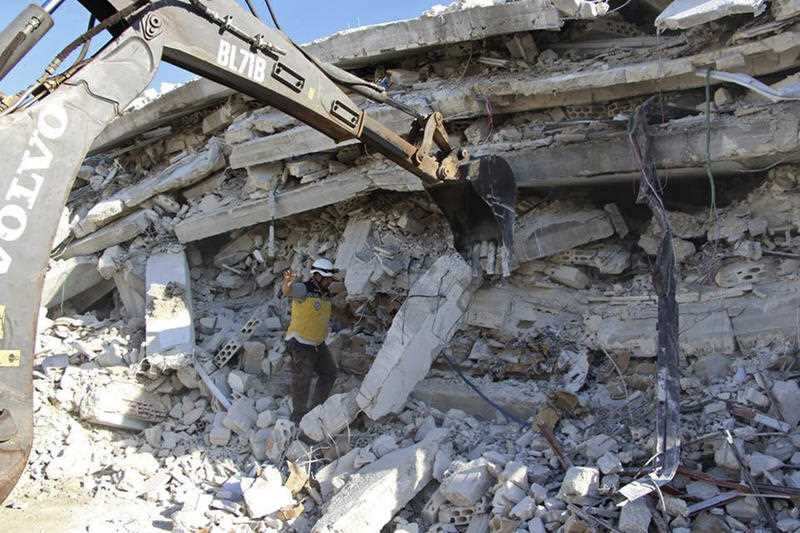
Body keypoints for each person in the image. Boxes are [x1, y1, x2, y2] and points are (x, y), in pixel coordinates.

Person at [281, 258, 338, 423]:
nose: (330, 282)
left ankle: (316, 410)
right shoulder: (303, 289)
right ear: (318, 276)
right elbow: (287, 291)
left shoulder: (325, 294)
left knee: (329, 373)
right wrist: (287, 282)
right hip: (299, 342)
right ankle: (298, 418)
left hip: (317, 344)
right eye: (328, 278)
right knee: (302, 379)